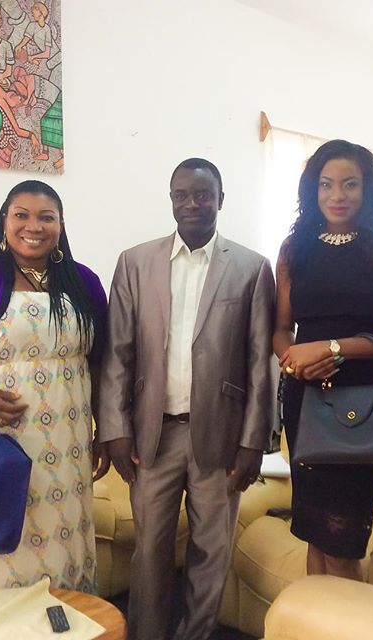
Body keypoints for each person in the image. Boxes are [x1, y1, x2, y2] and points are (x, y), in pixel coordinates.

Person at [99, 158, 275, 640]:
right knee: (150, 551)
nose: (192, 204)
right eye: (182, 195)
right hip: (153, 435)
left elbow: (261, 363)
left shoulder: (252, 268)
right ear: (171, 199)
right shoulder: (135, 262)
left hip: (222, 435)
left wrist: (254, 441)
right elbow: (117, 353)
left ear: (221, 200)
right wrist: (115, 429)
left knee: (211, 552)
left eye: (203, 195)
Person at [0, 180, 109, 599]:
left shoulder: (83, 282)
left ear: (61, 225)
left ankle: (67, 618)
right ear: (4, 220)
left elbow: (100, 362)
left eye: (46, 217)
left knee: (63, 547)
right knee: (0, 550)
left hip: (67, 445)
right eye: (21, 215)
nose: (33, 226)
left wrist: (103, 431)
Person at [273, 139, 373, 581]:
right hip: (305, 400)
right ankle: (312, 617)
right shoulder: (293, 248)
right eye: (327, 185)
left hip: (363, 405)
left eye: (350, 184)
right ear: (313, 190)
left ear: (368, 188)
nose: (337, 195)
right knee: (314, 534)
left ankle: (345, 615)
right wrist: (293, 360)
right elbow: (281, 329)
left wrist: (331, 348)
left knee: (342, 542)